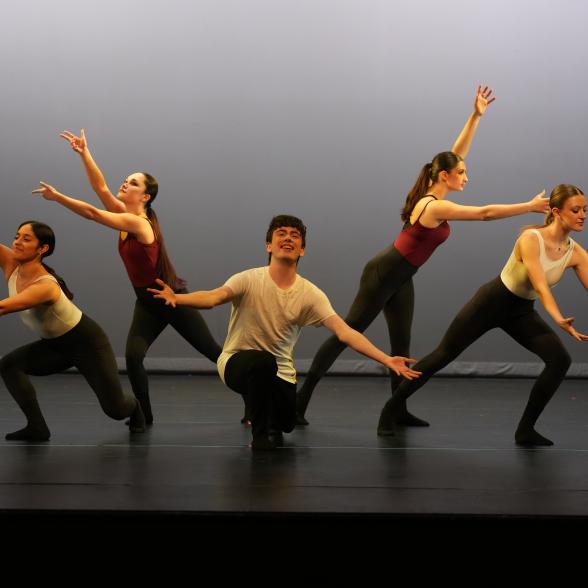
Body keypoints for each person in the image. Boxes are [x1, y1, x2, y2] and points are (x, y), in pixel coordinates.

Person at [295, 85, 549, 426]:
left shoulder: (435, 183)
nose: (466, 176)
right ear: (444, 176)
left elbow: (455, 154)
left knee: (402, 342)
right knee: (348, 330)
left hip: (402, 278)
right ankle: (299, 403)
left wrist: (475, 116)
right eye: (462, 173)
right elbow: (486, 213)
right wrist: (529, 206)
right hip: (383, 273)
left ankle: (397, 409)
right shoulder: (434, 206)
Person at [147, 214, 421, 449]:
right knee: (262, 363)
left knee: (287, 424)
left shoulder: (310, 294)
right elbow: (213, 297)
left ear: (302, 250)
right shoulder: (248, 279)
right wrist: (178, 299)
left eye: (295, 235)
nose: (288, 238)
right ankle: (260, 436)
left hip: (280, 372)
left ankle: (267, 418)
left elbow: (345, 332)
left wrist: (386, 359)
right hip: (236, 363)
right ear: (269, 245)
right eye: (281, 234)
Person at [36, 130, 222, 425]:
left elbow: (92, 213)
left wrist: (58, 197)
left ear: (145, 196)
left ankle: (255, 402)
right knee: (134, 357)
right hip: (146, 302)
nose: (126, 182)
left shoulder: (139, 224)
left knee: (216, 354)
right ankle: (143, 417)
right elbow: (101, 188)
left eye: (133, 182)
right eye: (127, 179)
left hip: (170, 299)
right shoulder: (126, 213)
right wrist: (84, 152)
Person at [378, 184, 588, 446]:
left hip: (521, 312)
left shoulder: (576, 253)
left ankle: (525, 430)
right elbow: (540, 284)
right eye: (576, 210)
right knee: (443, 355)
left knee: (559, 361)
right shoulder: (531, 239)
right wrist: (557, 317)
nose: (582, 215)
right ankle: (391, 410)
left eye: (585, 210)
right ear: (556, 212)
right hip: (492, 302)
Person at [0, 221, 145, 441]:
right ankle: (37, 427)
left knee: (115, 409)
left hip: (87, 343)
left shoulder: (45, 286)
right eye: (17, 236)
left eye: (26, 239)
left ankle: (135, 408)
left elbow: (3, 307)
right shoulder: (11, 263)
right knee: (9, 366)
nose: (18, 242)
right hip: (54, 345)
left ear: (43, 249)